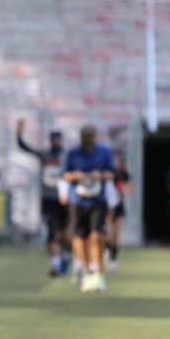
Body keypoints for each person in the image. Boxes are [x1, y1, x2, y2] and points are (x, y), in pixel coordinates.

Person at [62, 125, 115, 292]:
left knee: (97, 235)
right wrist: (76, 175)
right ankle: (86, 272)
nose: (88, 140)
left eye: (91, 136)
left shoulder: (104, 152)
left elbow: (112, 173)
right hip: (78, 201)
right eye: (85, 136)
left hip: (97, 201)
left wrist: (99, 175)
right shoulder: (73, 153)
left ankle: (98, 273)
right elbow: (65, 174)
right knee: (79, 236)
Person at [16, 121, 71, 277]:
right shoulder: (45, 155)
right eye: (53, 139)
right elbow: (24, 147)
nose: (55, 142)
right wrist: (19, 133)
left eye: (57, 139)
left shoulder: (67, 156)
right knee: (51, 231)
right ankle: (55, 263)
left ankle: (66, 256)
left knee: (64, 233)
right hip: (48, 198)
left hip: (63, 199)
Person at [105, 149, 131, 272]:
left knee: (116, 235)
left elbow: (129, 188)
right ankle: (106, 250)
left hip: (119, 207)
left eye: (115, 159)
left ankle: (113, 259)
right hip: (107, 207)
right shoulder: (105, 173)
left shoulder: (122, 172)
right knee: (108, 234)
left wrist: (123, 188)